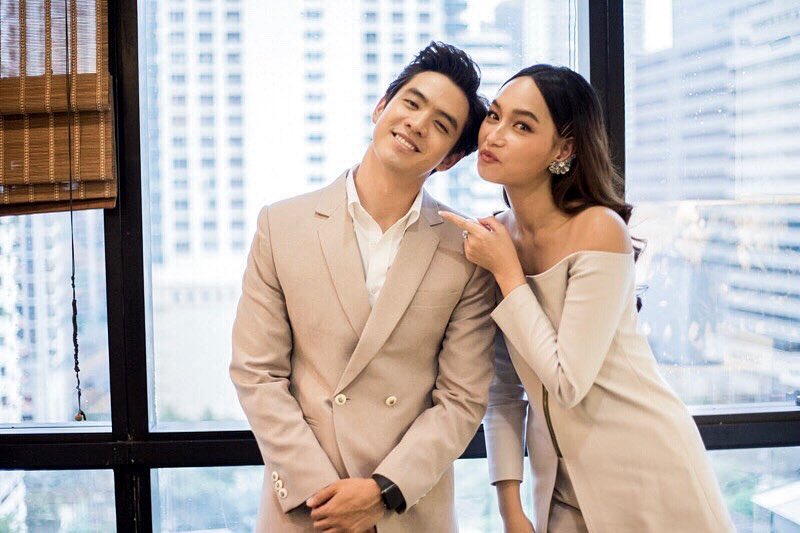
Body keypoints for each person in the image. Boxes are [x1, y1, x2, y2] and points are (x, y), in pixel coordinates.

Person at [440, 65, 734, 533]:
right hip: (557, 486)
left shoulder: (598, 229)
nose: (494, 134)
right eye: (494, 116)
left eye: (522, 126)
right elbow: (503, 390)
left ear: (564, 149)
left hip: (648, 471)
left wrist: (507, 271)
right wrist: (510, 508)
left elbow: (567, 382)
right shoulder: (496, 237)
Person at [230, 42, 496, 532]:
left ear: (450, 158)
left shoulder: (466, 251)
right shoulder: (281, 225)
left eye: (441, 124)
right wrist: (321, 493)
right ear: (381, 107)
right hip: (308, 509)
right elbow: (256, 373)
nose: (417, 123)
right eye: (411, 103)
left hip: (407, 510)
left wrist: (384, 491)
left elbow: (461, 399)